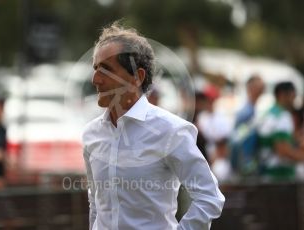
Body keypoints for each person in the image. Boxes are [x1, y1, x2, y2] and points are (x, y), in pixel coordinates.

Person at [82, 23, 225, 230]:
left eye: (106, 69)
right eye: (95, 69)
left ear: (137, 77)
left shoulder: (171, 130)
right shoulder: (91, 134)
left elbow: (209, 197)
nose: (96, 79)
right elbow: (95, 203)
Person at [258, 81, 304, 179]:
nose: (294, 99)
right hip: (279, 176)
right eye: (293, 95)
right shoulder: (283, 117)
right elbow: (283, 150)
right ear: (282, 95)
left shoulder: (269, 113)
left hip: (266, 173)